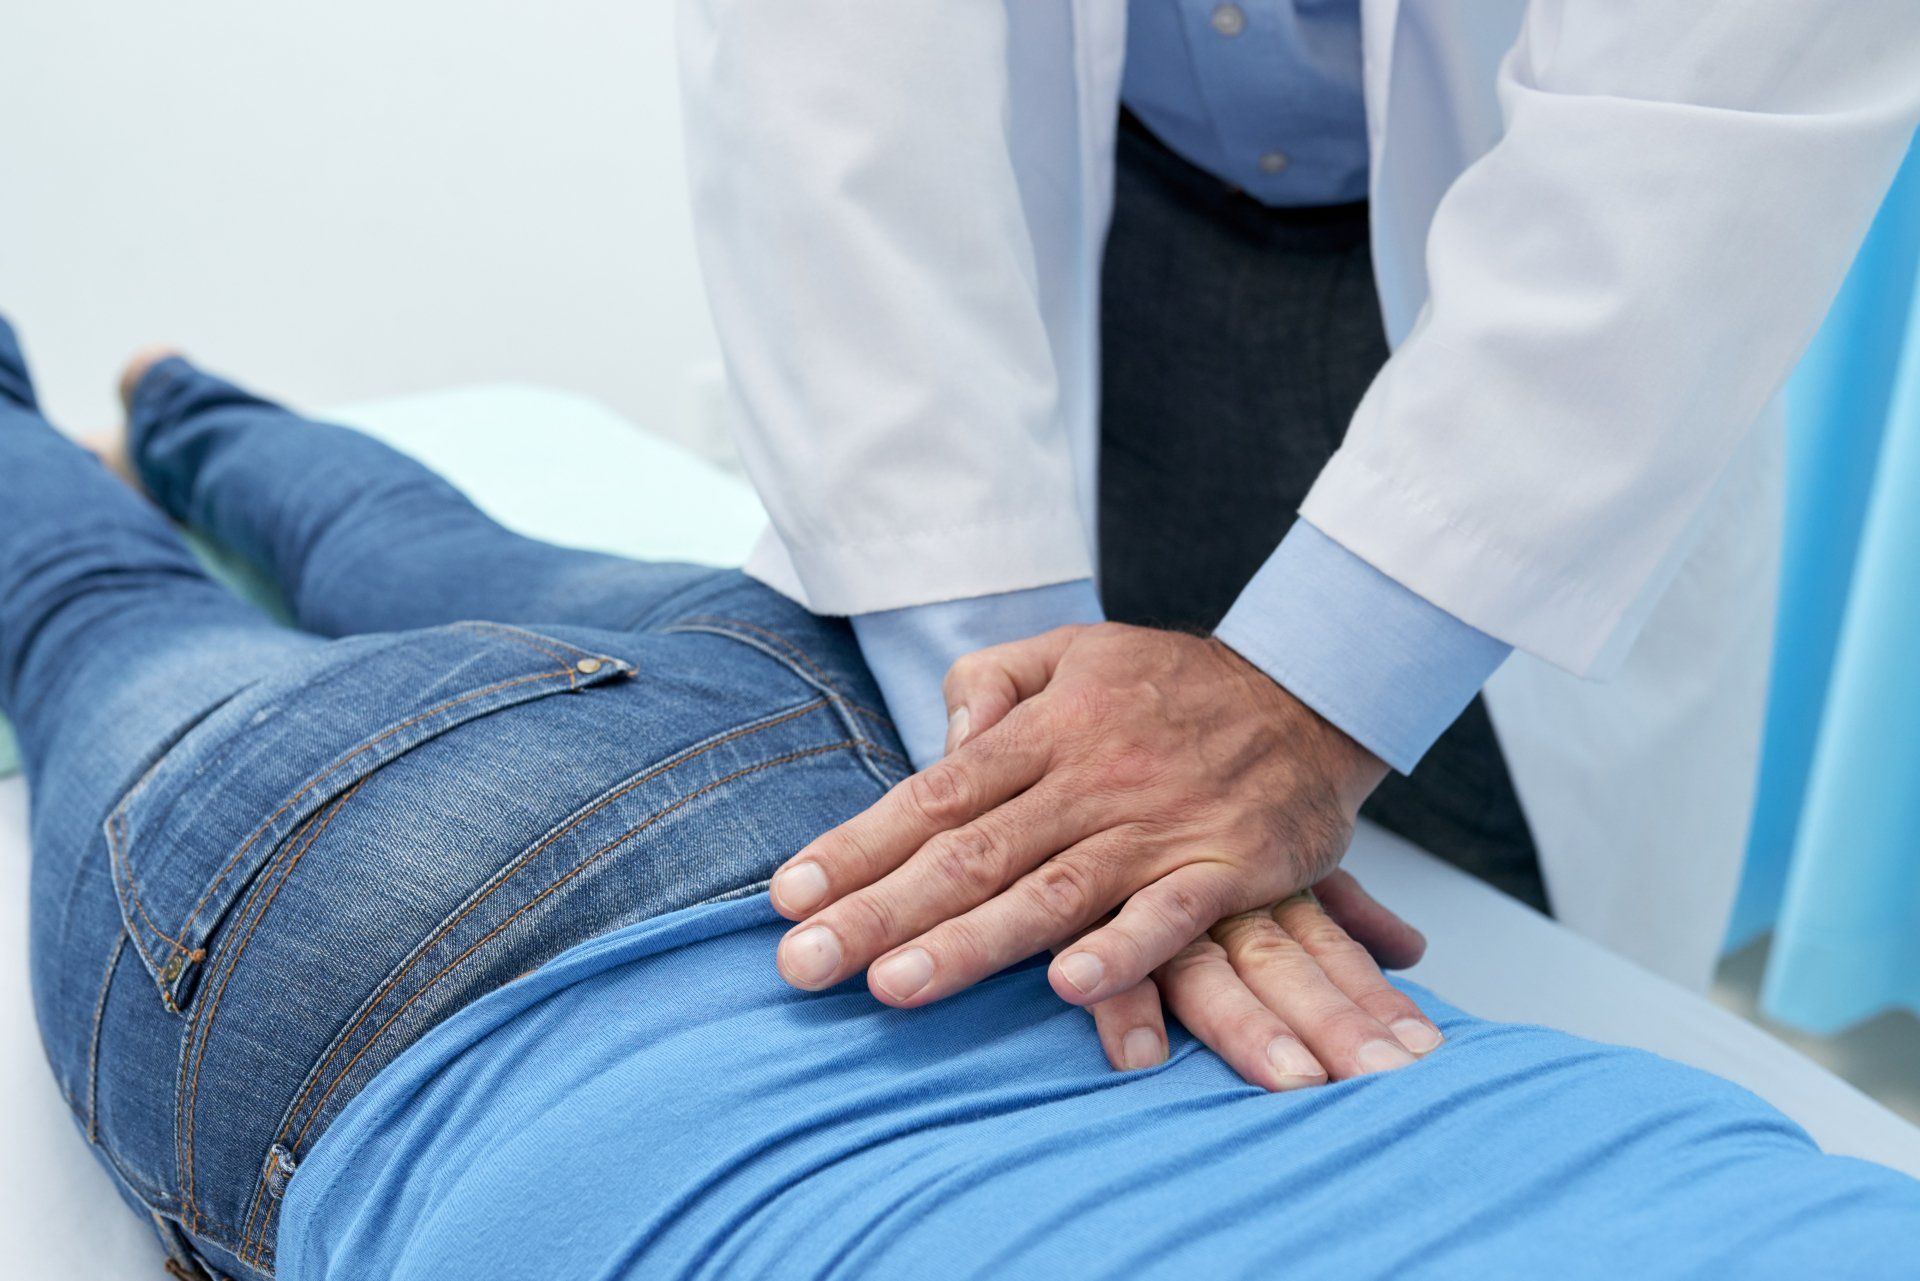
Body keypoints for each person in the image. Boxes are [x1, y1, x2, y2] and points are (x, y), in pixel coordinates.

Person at [2, 317, 1917, 1280]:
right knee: (94, 620)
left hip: (857, 755)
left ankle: (187, 401)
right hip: (434, 964)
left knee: (416, 536)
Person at [676, 1, 1920, 1020]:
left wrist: (1315, 695)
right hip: (1107, 222)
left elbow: (1701, 127)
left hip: (1526, 301)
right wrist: (1026, 749)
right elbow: (826, 86)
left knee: (1501, 994)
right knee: (1108, 938)